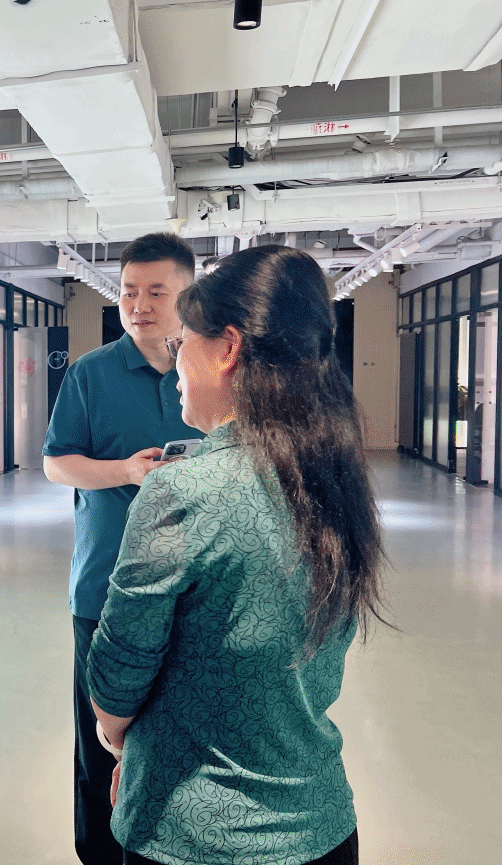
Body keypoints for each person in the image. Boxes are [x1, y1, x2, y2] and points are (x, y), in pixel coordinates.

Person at [88, 245, 390, 865]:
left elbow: (119, 673)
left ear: (227, 349)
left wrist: (119, 741)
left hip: (193, 836)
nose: (175, 366)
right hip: (322, 826)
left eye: (182, 345)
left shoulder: (181, 490)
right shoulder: (334, 477)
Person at [42, 232, 204, 865]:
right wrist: (126, 472)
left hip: (195, 588)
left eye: (156, 292)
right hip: (104, 587)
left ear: (188, 295)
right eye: (129, 291)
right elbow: (56, 463)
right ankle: (101, 854)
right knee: (100, 740)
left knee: (181, 734)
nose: (138, 305)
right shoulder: (91, 374)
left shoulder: (210, 372)